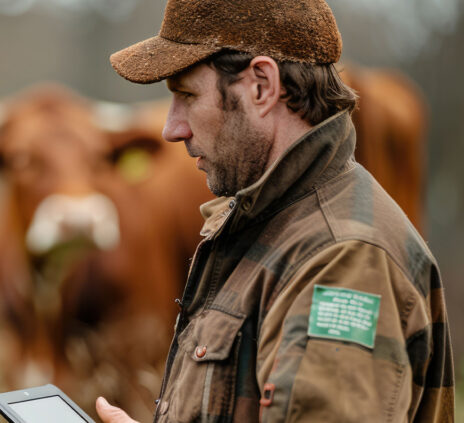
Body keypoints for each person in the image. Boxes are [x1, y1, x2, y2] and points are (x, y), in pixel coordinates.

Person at [95, 0, 454, 422]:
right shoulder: (273, 224)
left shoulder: (344, 261)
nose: (172, 129)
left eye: (187, 95)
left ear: (262, 86)